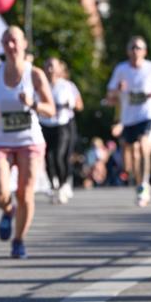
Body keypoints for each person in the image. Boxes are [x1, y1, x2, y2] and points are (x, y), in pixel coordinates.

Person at [0, 26, 55, 258]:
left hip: (29, 140)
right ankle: (8, 210)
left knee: (25, 193)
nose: (10, 46)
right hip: (0, 141)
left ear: (24, 44)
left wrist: (33, 104)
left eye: (14, 41)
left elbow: (51, 110)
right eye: (6, 42)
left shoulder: (35, 75)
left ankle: (19, 239)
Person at [106, 37, 151, 208]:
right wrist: (118, 90)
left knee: (144, 146)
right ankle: (140, 185)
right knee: (133, 153)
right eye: (133, 47)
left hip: (146, 114)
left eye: (139, 48)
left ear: (144, 51)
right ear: (128, 51)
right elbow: (110, 95)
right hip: (129, 117)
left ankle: (144, 184)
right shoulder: (121, 69)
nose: (136, 51)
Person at [40, 57, 83, 203]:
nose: (50, 69)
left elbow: (79, 105)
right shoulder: (40, 85)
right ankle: (54, 185)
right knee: (48, 157)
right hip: (44, 125)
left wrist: (67, 105)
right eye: (47, 66)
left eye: (53, 66)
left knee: (60, 156)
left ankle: (64, 184)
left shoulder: (67, 86)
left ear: (59, 69)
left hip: (63, 125)